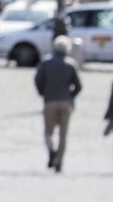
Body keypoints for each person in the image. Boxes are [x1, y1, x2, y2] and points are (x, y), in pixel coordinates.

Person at [34, 35, 83, 172]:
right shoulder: (71, 64)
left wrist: (43, 93)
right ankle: (59, 162)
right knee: (63, 134)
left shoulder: (46, 63)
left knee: (48, 132)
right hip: (66, 102)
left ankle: (51, 150)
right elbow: (78, 86)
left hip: (50, 101)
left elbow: (38, 80)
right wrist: (70, 96)